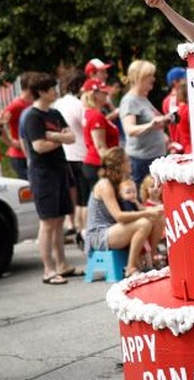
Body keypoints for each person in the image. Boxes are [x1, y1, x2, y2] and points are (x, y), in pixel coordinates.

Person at [20, 72, 80, 284]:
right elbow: (39, 146)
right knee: (47, 222)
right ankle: (48, 270)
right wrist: (60, 138)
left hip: (60, 169)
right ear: (42, 92)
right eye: (52, 89)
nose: (56, 92)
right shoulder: (33, 117)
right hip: (43, 174)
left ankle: (62, 264)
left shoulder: (54, 113)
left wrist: (53, 135)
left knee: (60, 219)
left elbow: (71, 137)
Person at [83, 147, 164, 278]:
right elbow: (119, 216)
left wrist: (155, 210)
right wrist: (148, 213)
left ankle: (151, 259)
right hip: (99, 235)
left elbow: (135, 209)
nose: (130, 163)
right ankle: (130, 268)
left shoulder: (120, 182)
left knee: (158, 219)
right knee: (144, 223)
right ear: (119, 165)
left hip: (114, 229)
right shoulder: (105, 184)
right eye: (127, 160)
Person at [119, 60, 169, 184]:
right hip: (141, 162)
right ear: (138, 77)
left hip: (152, 158)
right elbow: (129, 130)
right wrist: (151, 125)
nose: (153, 78)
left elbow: (151, 124)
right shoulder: (130, 101)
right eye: (150, 75)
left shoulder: (142, 98)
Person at [52, 70, 88, 240]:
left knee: (73, 192)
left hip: (66, 153)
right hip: (81, 153)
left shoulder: (59, 103)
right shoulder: (79, 104)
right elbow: (87, 125)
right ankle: (83, 230)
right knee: (84, 196)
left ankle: (72, 224)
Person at [82, 77, 120, 196]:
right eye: (103, 93)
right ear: (95, 95)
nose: (106, 95)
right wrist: (112, 166)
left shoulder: (93, 114)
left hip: (96, 163)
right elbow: (100, 146)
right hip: (98, 164)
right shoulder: (95, 116)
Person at [0, 72, 34, 179]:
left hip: (30, 152)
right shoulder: (17, 105)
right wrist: (10, 142)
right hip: (20, 155)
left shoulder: (30, 103)